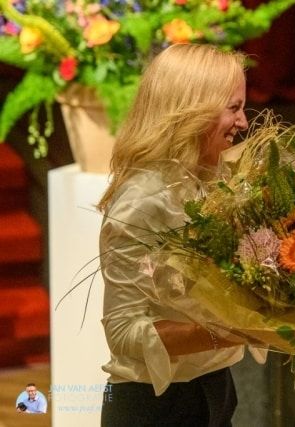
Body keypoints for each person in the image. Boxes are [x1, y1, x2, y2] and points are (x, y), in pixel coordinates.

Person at [96, 43, 262, 426]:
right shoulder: (141, 201)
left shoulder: (219, 179)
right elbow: (123, 332)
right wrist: (236, 332)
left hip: (216, 387)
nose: (243, 123)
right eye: (233, 108)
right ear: (192, 110)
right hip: (155, 403)